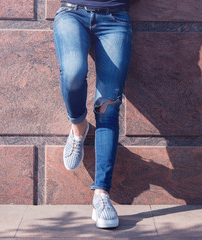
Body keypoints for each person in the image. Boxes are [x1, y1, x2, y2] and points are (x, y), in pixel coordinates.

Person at [53, 0, 132, 229]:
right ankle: (78, 126)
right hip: (72, 12)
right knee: (72, 73)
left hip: (115, 19)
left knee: (107, 105)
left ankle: (101, 194)